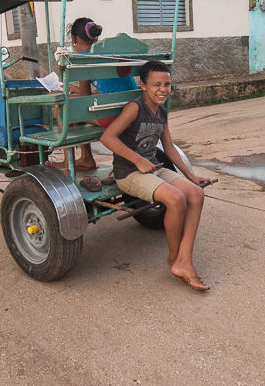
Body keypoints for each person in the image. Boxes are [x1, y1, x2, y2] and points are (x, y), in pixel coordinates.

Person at [101, 60, 214, 291]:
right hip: (129, 172)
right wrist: (138, 159)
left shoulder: (162, 112)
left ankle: (184, 259)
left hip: (153, 168)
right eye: (156, 84)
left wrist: (190, 176)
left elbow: (169, 148)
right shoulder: (135, 108)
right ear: (142, 85)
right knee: (176, 198)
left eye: (167, 84)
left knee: (195, 193)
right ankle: (175, 260)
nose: (162, 89)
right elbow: (108, 137)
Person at [55, 17, 137, 171]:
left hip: (112, 113)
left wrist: (62, 92)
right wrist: (74, 89)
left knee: (62, 106)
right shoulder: (107, 53)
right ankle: (86, 158)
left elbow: (84, 100)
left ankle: (68, 163)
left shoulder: (82, 60)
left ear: (73, 38)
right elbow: (103, 90)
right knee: (74, 104)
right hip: (131, 108)